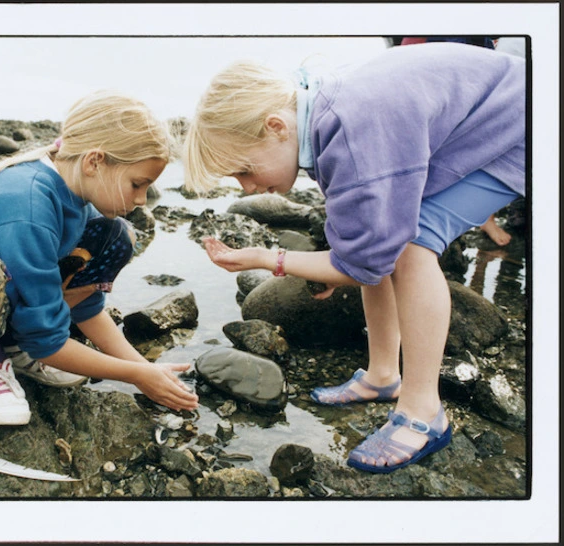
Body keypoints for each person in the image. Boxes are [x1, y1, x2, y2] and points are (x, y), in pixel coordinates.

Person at [184, 42, 525, 473]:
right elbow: (361, 225)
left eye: (244, 171)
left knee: (412, 246)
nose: (246, 188)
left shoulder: (352, 126)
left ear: (275, 127)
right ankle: (383, 374)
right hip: (478, 123)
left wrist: (266, 258)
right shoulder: (325, 118)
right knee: (388, 234)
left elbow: (363, 261)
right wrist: (344, 255)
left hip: (520, 126)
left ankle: (423, 412)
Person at [0, 90, 199, 426]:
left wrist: (145, 370)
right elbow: (50, 343)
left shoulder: (75, 195)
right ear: (94, 162)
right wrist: (134, 376)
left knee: (116, 235)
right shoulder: (29, 204)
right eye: (137, 184)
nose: (142, 200)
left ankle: (16, 347)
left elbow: (86, 307)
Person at [394, 35, 516, 247]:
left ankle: (482, 218)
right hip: (428, 68)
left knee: (479, 142)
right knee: (424, 150)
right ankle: (406, 219)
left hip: (473, 66)